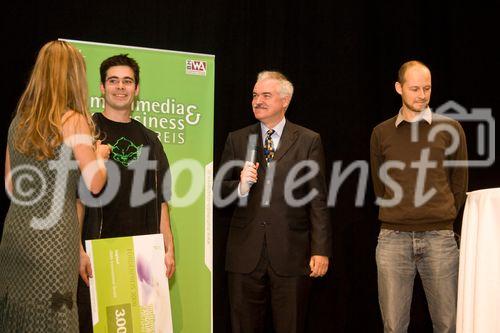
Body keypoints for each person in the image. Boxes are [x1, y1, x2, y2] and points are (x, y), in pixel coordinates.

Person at [0, 40, 109, 332]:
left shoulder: (19, 121)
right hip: (53, 241)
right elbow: (95, 183)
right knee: (57, 313)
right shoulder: (73, 121)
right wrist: (99, 156)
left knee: (18, 318)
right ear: (73, 76)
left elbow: (11, 184)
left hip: (16, 237)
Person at [218, 71, 332, 333]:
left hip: (291, 252)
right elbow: (219, 193)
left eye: (265, 95)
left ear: (285, 100)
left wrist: (320, 249)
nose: (257, 100)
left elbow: (317, 198)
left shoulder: (308, 140)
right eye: (255, 95)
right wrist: (240, 187)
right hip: (245, 253)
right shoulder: (237, 139)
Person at [76, 54, 175, 332]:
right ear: (102, 87)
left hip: (142, 257)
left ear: (137, 89)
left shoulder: (150, 140)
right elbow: (76, 199)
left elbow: (162, 200)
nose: (121, 87)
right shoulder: (87, 133)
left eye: (127, 81)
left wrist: (168, 248)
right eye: (114, 80)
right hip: (98, 254)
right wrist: (78, 250)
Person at [370, 60, 468, 333]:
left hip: (440, 238)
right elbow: (380, 185)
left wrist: (440, 213)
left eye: (427, 88)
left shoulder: (451, 129)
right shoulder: (381, 133)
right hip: (393, 239)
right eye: (414, 88)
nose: (422, 95)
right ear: (398, 88)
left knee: (448, 324)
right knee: (393, 326)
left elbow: (458, 184)